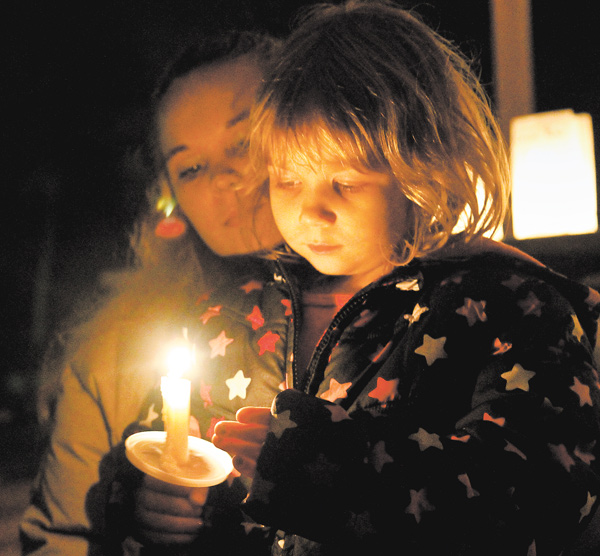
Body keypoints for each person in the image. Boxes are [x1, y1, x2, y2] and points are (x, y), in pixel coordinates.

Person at [207, 1, 600, 554]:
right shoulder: (243, 309)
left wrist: (315, 463)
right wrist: (150, 500)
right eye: (288, 181)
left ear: (421, 169)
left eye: (344, 182)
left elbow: (536, 495)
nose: (310, 212)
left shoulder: (509, 306)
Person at [20, 30, 284, 556]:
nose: (224, 179)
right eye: (191, 167)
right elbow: (62, 540)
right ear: (171, 193)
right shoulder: (114, 351)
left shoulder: (409, 312)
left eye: (244, 143)